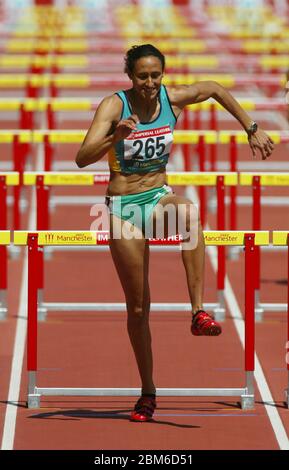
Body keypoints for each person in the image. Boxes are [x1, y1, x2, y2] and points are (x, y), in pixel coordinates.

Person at [75, 44, 274, 422]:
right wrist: (115, 136)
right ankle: (148, 392)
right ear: (130, 77)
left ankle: (198, 312)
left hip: (157, 195)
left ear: (162, 75)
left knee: (189, 214)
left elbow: (215, 87)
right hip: (123, 208)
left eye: (155, 75)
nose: (149, 84)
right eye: (142, 77)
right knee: (138, 308)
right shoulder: (113, 106)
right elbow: (82, 156)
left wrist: (252, 127)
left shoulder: (172, 98)